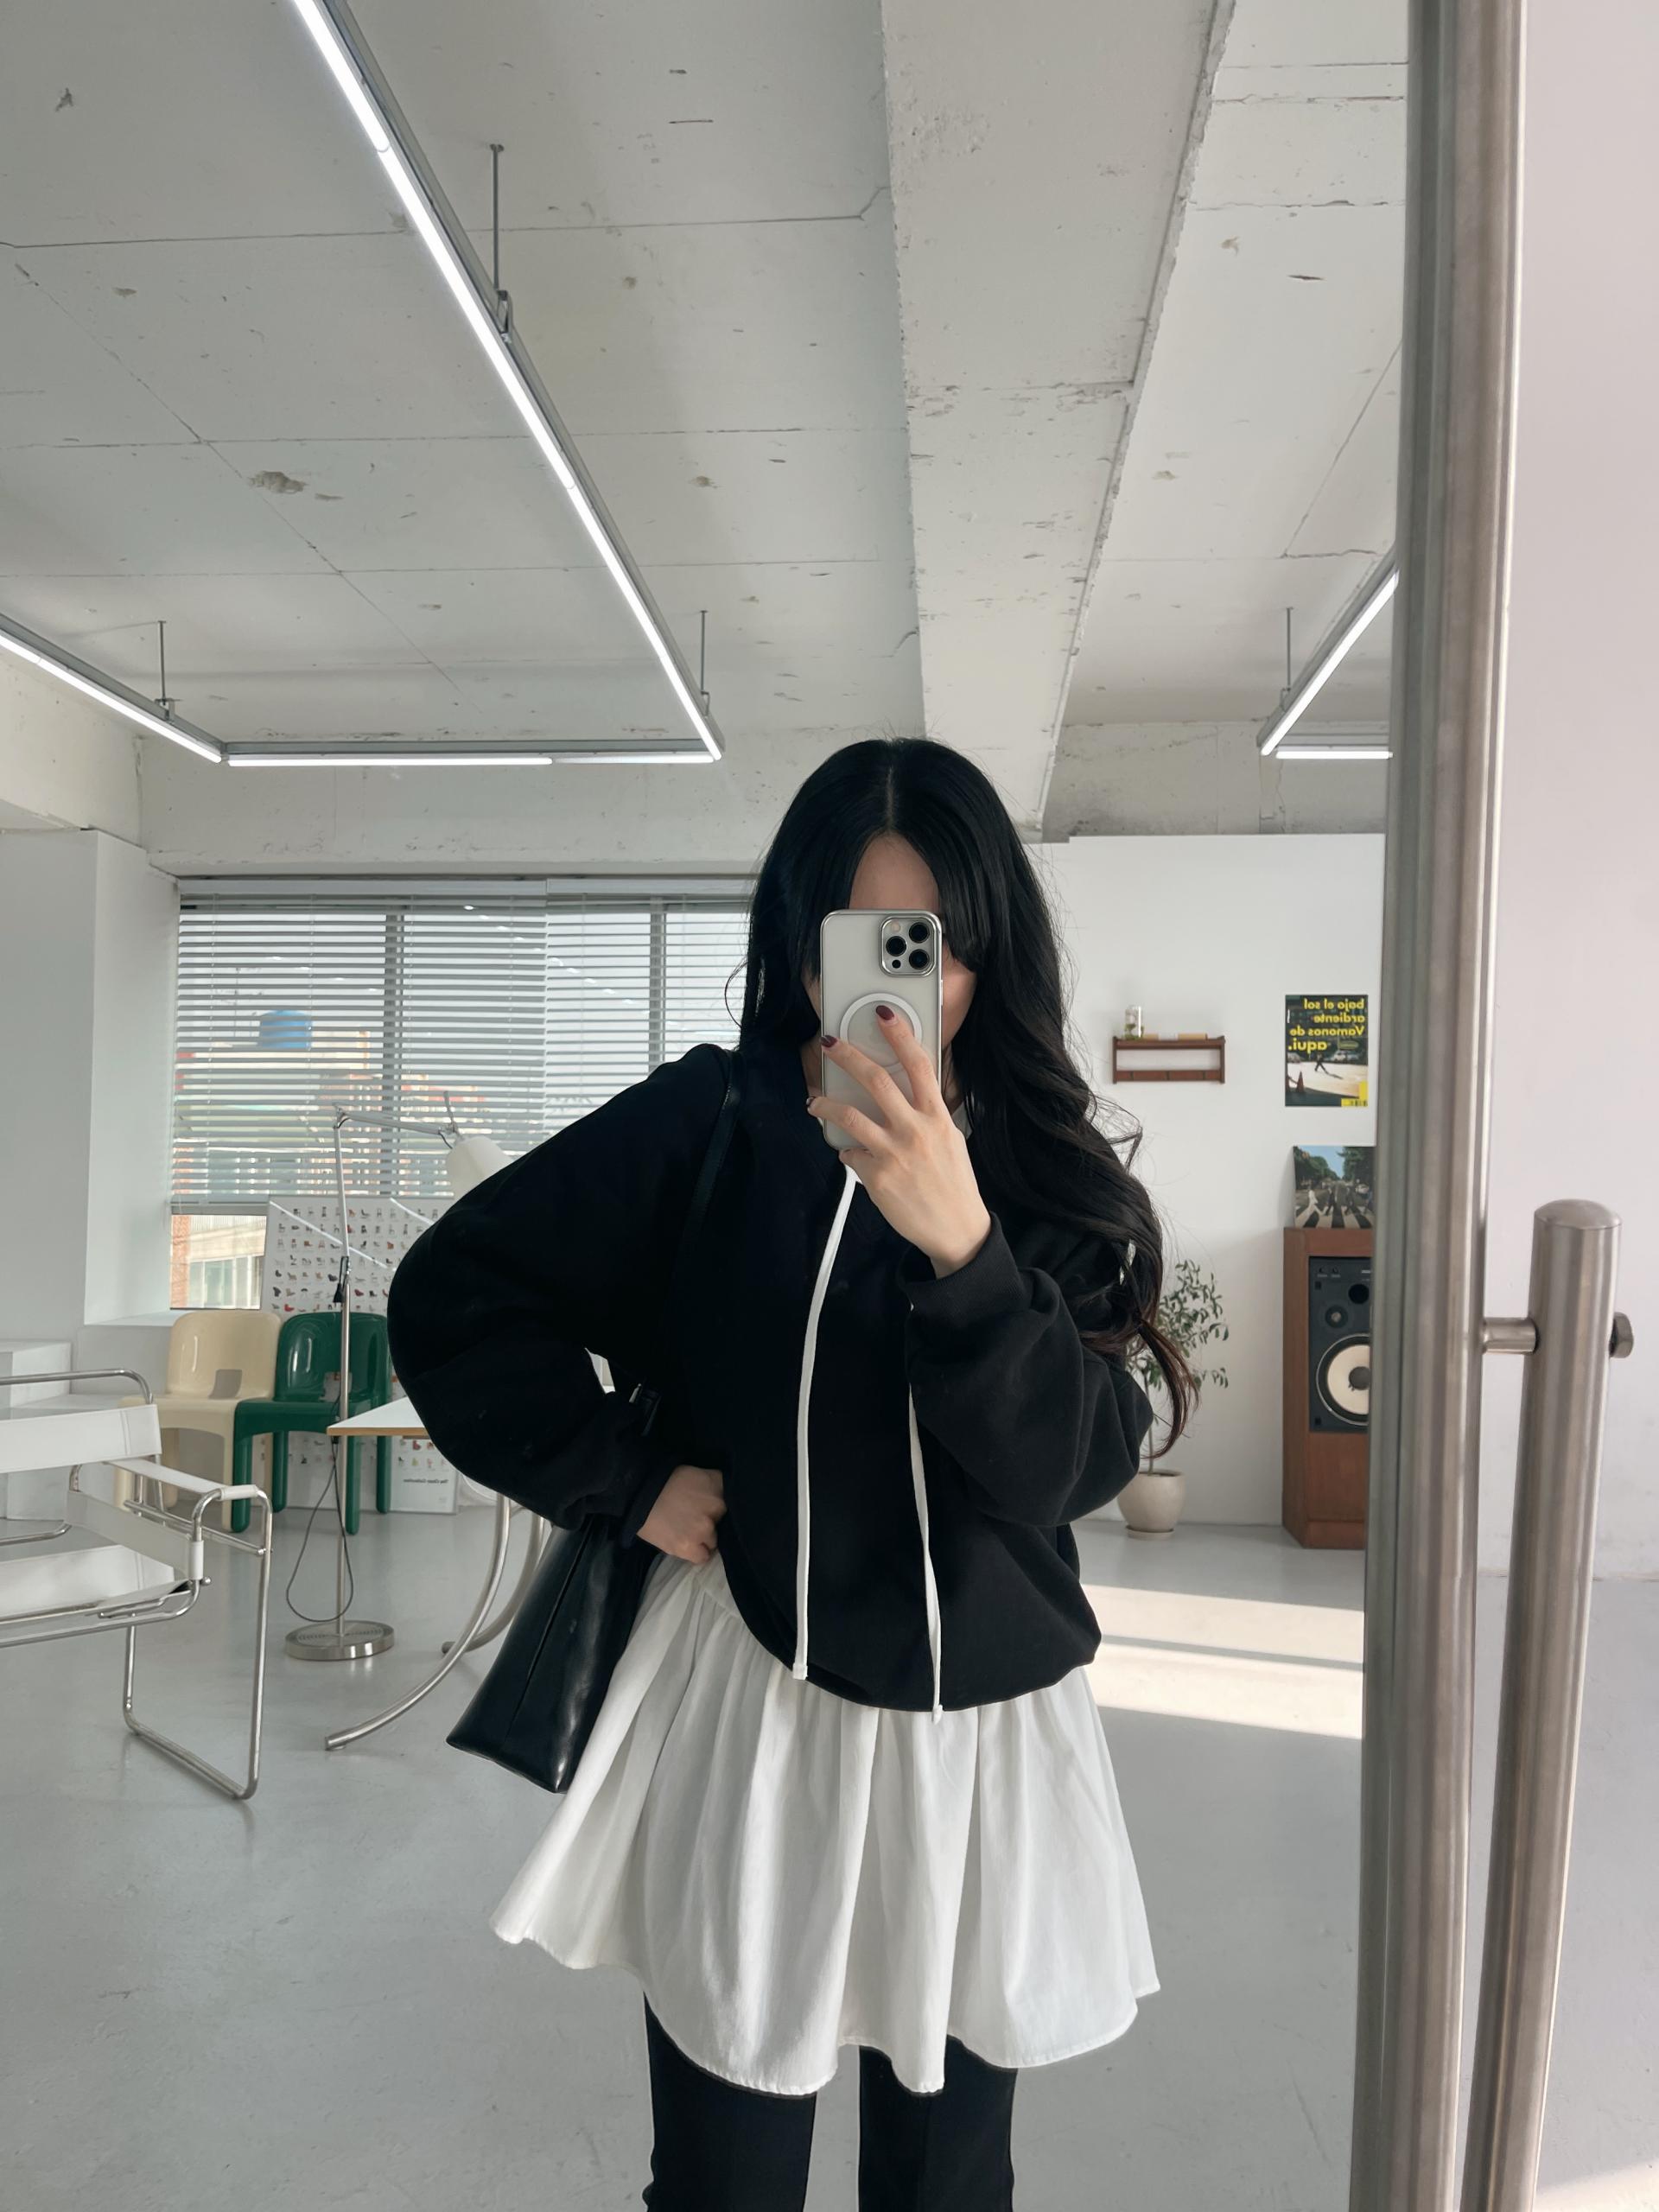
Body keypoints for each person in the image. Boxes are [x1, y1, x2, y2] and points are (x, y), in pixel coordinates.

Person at [387, 737, 1192, 2211]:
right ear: (801, 946)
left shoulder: (1041, 1164)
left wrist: (962, 1244)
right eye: (861, 939)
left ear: (987, 950)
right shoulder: (713, 1124)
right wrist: (625, 1473)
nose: (900, 981)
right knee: (724, 2175)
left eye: (930, 944)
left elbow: (1069, 1466)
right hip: (758, 1702)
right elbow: (455, 1296)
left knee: (950, 2184)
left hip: (984, 1737)